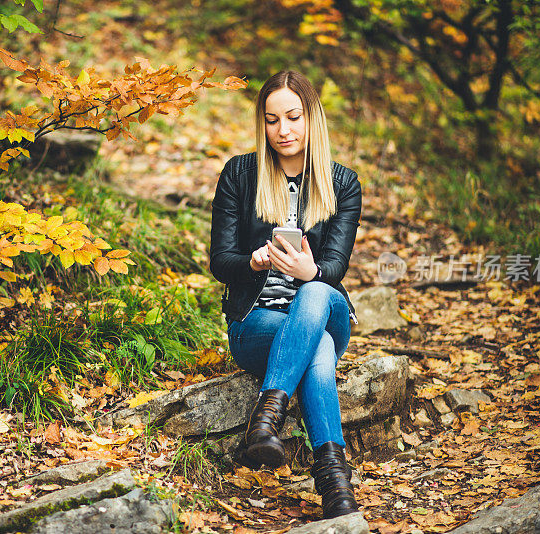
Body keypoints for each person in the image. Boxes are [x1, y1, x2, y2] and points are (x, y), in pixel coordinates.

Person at [209, 70, 362, 520]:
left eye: (293, 117)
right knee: (318, 351)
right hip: (255, 322)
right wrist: (253, 262)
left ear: (311, 117)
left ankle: (266, 419)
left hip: (324, 307)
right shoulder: (240, 173)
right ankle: (335, 483)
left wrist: (309, 270)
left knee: (313, 292)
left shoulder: (342, 183)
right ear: (263, 123)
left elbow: (335, 268)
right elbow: (220, 260)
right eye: (272, 120)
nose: (284, 131)